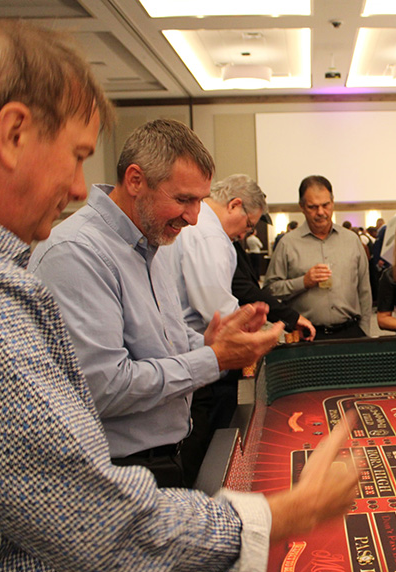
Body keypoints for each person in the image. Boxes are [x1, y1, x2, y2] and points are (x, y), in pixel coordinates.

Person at [0, 19, 356, 572]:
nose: (79, 188)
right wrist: (286, 513)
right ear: (14, 132)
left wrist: (209, 344)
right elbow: (95, 523)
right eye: (76, 156)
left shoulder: (140, 251)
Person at [29, 119, 283, 488]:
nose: (194, 218)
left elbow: (162, 341)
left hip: (164, 457)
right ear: (136, 180)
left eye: (200, 201)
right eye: (183, 200)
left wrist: (209, 341)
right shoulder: (76, 252)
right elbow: (105, 387)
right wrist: (213, 358)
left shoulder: (154, 241)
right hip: (116, 473)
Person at [159, 173, 315, 484]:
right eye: (248, 225)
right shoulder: (209, 235)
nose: (246, 234)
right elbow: (216, 310)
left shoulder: (203, 231)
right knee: (200, 448)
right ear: (234, 205)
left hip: (189, 351)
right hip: (198, 357)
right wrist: (263, 332)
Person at [264, 175, 372, 340]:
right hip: (308, 336)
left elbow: (364, 290)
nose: (320, 212)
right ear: (302, 207)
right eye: (312, 207)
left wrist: (364, 331)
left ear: (333, 203)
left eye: (325, 205)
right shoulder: (288, 244)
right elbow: (270, 291)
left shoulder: (351, 240)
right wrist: (303, 282)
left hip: (351, 333)